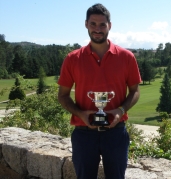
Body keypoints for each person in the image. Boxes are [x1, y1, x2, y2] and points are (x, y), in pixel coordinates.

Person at [57, 3, 141, 179]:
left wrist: (121, 110)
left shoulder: (126, 57)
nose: (98, 29)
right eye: (93, 24)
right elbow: (63, 96)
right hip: (83, 134)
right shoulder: (72, 59)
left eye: (102, 24)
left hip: (116, 133)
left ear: (109, 26)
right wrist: (80, 114)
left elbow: (135, 91)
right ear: (86, 24)